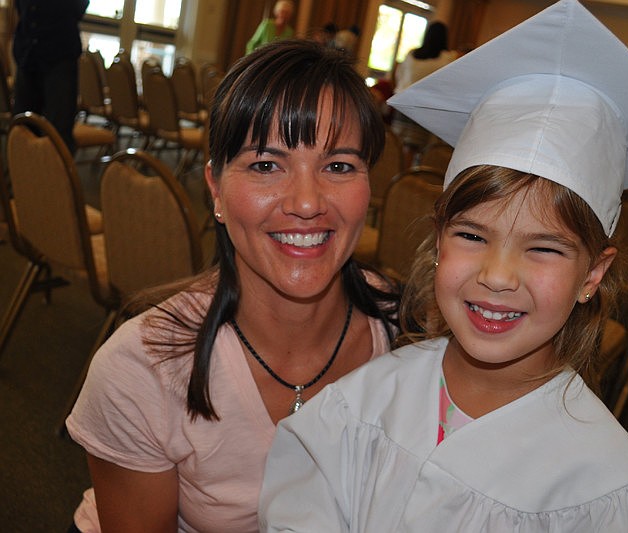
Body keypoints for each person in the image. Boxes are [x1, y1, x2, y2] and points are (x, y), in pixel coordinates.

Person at [258, 1, 628, 531]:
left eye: (545, 248)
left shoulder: (610, 492)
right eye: (471, 235)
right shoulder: (359, 405)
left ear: (592, 276)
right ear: (439, 239)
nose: (498, 276)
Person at [65, 40, 400, 532]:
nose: (307, 202)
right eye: (266, 164)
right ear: (216, 190)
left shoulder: (404, 330)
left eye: (339, 166)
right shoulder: (144, 368)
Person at [12, 0, 89, 154]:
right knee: (22, 128)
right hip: (28, 52)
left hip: (59, 55)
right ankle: (21, 174)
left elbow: (78, 7)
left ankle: (52, 177)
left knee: (58, 133)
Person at [390, 21, 458, 166]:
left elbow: (399, 77)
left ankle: (394, 178)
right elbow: (449, 86)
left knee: (399, 148)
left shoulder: (411, 55)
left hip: (402, 106)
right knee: (416, 151)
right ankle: (407, 182)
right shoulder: (447, 58)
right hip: (424, 110)